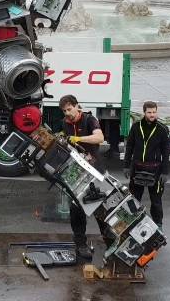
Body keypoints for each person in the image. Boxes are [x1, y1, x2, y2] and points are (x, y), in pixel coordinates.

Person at [59, 94, 105, 259]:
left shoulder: (89, 120)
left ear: (77, 106)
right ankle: (80, 243)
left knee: (100, 206)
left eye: (69, 109)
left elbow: (100, 137)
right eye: (64, 111)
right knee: (76, 209)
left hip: (95, 169)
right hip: (77, 171)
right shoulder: (65, 123)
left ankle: (108, 238)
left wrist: (78, 138)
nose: (67, 113)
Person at [123, 101, 170, 229]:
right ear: (144, 112)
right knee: (134, 199)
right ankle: (132, 222)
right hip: (137, 168)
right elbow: (129, 147)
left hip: (155, 170)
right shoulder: (136, 127)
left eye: (154, 112)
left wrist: (165, 172)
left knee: (156, 201)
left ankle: (158, 224)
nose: (152, 115)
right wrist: (126, 166)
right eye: (149, 112)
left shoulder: (162, 129)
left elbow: (166, 153)